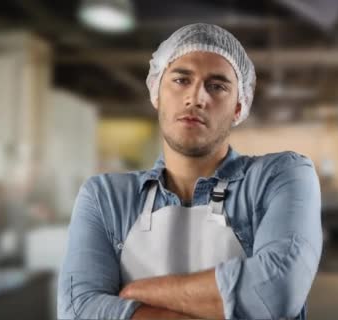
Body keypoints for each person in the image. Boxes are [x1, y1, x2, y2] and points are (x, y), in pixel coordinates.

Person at [57, 23, 322, 319]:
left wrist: (140, 293)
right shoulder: (105, 197)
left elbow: (276, 291)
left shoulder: (280, 176)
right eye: (182, 80)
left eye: (217, 86)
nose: (196, 98)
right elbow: (78, 310)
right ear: (156, 92)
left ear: (238, 107)